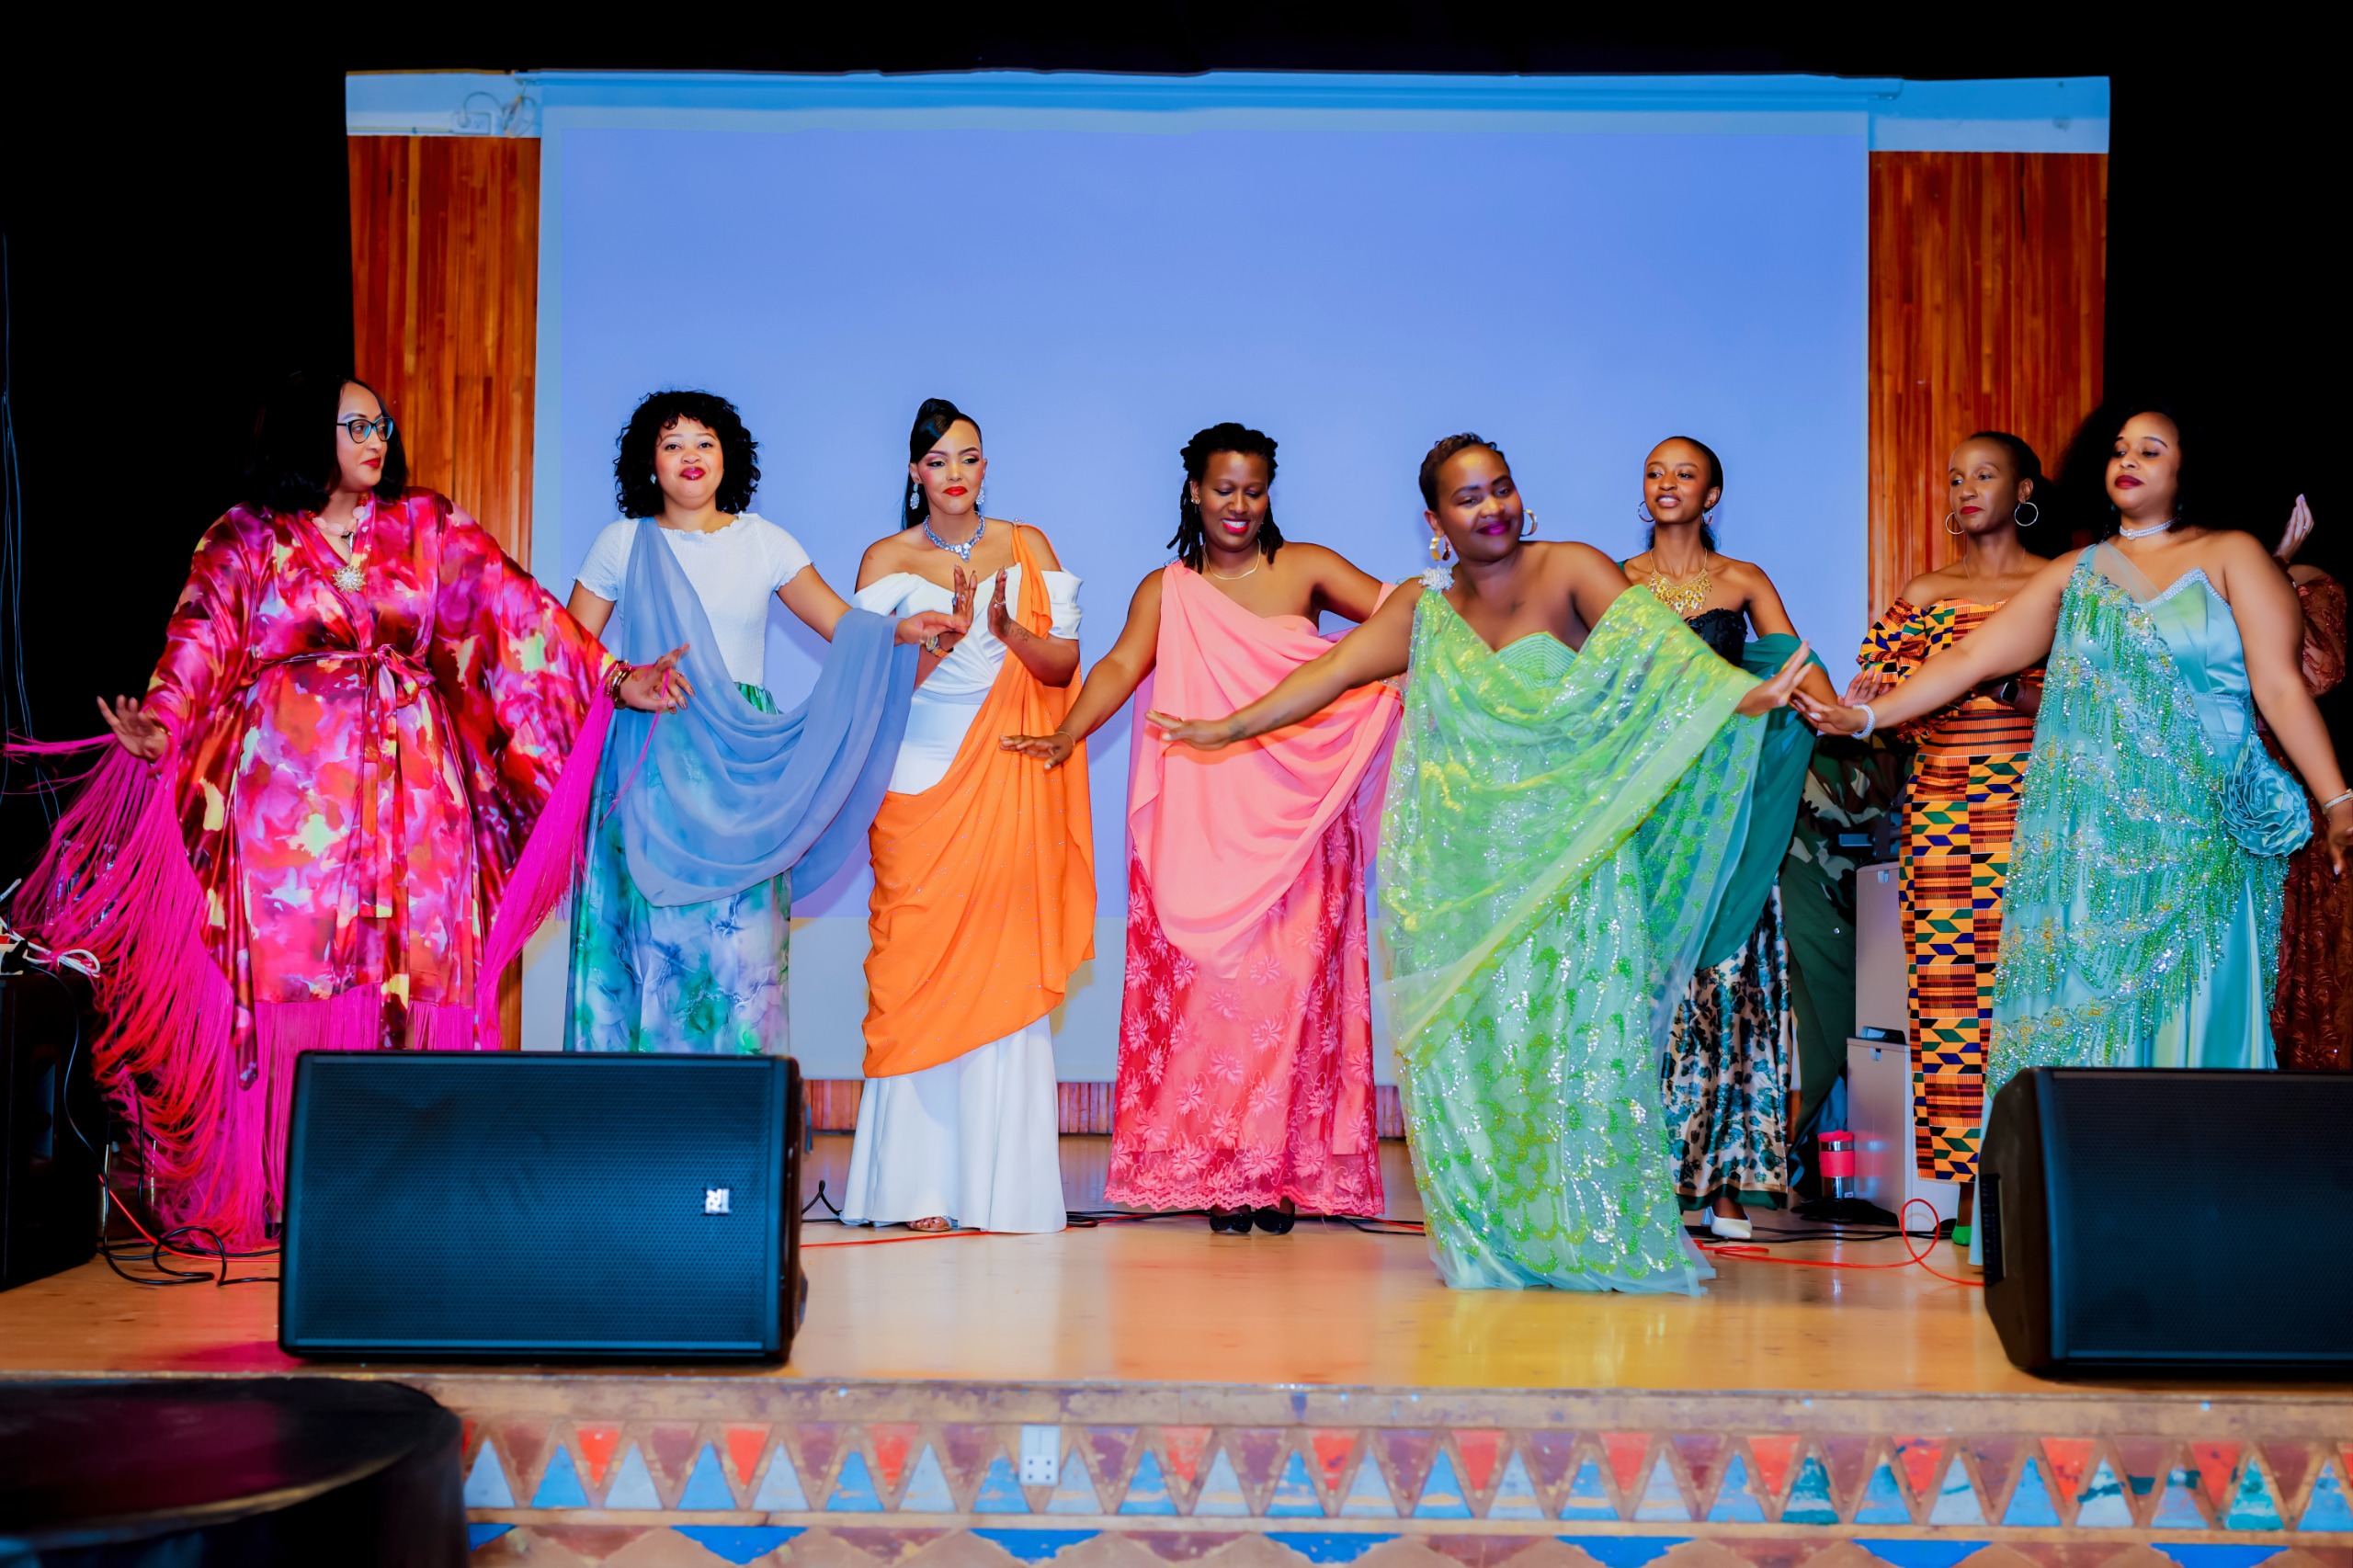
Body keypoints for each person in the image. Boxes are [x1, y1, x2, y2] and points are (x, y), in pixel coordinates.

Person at [15, 373, 686, 1245]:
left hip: (419, 803)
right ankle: (280, 1184)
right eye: (356, 425)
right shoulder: (245, 536)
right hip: (289, 806)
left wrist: (617, 678)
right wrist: (163, 724)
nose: (377, 440)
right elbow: (198, 643)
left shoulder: (427, 526)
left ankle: (416, 1187)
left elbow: (525, 619)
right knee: (289, 973)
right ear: (307, 433)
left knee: (427, 971)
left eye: (382, 425)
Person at [1152, 434, 1809, 1290]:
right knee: (1483, 1061)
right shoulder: (1422, 610)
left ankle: (1590, 1232)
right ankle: (1496, 1233)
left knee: (1579, 1061)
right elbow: (1335, 671)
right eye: (1468, 498)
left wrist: (1745, 696)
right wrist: (1228, 727)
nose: (1492, 507)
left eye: (1501, 488)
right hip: (1465, 878)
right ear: (1435, 522)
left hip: (1574, 866)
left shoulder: (1571, 569)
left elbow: (1667, 658)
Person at [1797, 409, 2353, 1129]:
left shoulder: (2232, 555)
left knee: (2199, 1015)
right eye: (2119, 450)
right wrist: (1867, 717)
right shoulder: (2078, 572)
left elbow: (2279, 689)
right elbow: (1971, 657)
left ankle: (2197, 1182)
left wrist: (2337, 802)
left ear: (2186, 469)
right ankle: (2100, 1179)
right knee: (2090, 1021)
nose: (2129, 461)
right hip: (2096, 842)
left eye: (2150, 450)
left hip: (2201, 838)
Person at [1003, 423, 1400, 1233]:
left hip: (1299, 822)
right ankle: (1223, 1174)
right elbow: (1120, 665)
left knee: (1288, 1005)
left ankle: (1279, 1174)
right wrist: (1069, 731)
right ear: (1195, 491)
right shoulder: (1168, 590)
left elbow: (1403, 625)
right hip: (1203, 828)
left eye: (1254, 490)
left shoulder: (1308, 568)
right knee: (1218, 1008)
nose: (1240, 505)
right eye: (1225, 489)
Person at [562, 391, 963, 1056]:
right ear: (648, 463)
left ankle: (736, 1115)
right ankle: (632, 1117)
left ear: (729, 457)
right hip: (646, 764)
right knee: (641, 949)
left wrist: (901, 630)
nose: (690, 456)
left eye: (705, 442)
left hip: (745, 776)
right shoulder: (620, 543)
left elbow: (846, 629)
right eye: (672, 444)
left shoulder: (765, 541)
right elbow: (568, 655)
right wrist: (625, 681)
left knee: (741, 959)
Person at [841, 398, 1091, 1234]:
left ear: (987, 466)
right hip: (915, 775)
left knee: (1004, 963)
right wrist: (937, 646)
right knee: (912, 962)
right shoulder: (887, 558)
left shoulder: (1028, 545)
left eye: (970, 457)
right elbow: (867, 684)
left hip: (1009, 773)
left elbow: (1062, 666)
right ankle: (915, 1189)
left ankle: (999, 1189)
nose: (956, 473)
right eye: (939, 460)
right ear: (916, 472)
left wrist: (1008, 631)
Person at [1622, 437, 1836, 1241]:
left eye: (1685, 473)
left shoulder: (1742, 581)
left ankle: (1723, 1184)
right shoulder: (1618, 580)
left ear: (1711, 495)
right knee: (1652, 988)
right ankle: (1649, 1182)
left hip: (1728, 807)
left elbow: (1792, 663)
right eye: (1655, 471)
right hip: (1651, 808)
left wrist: (1844, 713)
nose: (1667, 483)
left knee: (1728, 986)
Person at [1846, 431, 2049, 1246]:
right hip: (1941, 809)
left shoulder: (2058, 583)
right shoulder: (1926, 591)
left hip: (2037, 807)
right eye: (1956, 477)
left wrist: (1996, 685)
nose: (1966, 489)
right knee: (1948, 1002)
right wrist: (1882, 696)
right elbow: (1882, 698)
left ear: (2023, 489)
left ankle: (2036, 1181)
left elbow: (2084, 698)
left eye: (1985, 474)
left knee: (2030, 993)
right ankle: (1969, 1196)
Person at [2263, 495, 2351, 1070]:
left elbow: (2315, 675)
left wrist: (2270, 568)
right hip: (2181, 788)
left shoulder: (2305, 580)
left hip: (2277, 797)